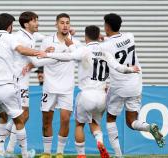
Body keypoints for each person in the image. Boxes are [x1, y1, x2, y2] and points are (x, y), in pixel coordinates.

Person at [37, 25, 140, 158]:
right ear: (99, 36)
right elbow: (118, 67)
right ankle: (99, 141)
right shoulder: (105, 51)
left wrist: (47, 54)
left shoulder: (84, 50)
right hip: (102, 96)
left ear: (86, 37)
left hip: (86, 95)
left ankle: (81, 155)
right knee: (95, 122)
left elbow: (68, 56)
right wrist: (131, 69)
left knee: (79, 124)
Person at [0, 13, 43, 158]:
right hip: (8, 84)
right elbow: (22, 50)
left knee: (3, 117)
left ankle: (1, 152)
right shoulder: (11, 38)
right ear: (10, 26)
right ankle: (23, 154)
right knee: (20, 118)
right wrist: (40, 53)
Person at [100, 13, 165, 157]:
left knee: (111, 119)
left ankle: (118, 155)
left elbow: (114, 61)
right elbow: (116, 42)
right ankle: (149, 127)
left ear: (107, 26)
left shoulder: (105, 46)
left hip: (119, 87)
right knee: (132, 122)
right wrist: (104, 37)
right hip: (135, 85)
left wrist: (102, 39)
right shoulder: (130, 36)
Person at [39, 13, 81, 158]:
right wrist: (45, 52)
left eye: (67, 23)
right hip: (49, 87)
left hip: (67, 88)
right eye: (62, 22)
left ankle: (60, 153)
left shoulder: (75, 42)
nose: (65, 25)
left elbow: (80, 58)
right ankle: (46, 152)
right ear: (56, 24)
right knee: (46, 121)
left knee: (64, 119)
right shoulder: (46, 41)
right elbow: (38, 58)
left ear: (70, 25)